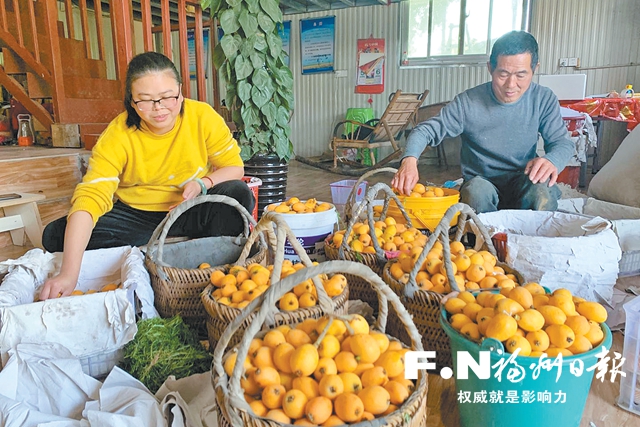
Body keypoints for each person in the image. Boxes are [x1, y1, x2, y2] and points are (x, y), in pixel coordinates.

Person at [40, 52, 254, 299]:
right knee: (56, 234)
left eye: (167, 97)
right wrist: (68, 274)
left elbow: (234, 167)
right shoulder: (118, 134)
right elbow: (91, 196)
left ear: (180, 92)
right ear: (132, 101)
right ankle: (179, 248)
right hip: (137, 216)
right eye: (146, 100)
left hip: (190, 206)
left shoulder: (202, 116)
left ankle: (204, 264)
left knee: (237, 193)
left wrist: (202, 183)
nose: (159, 108)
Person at [391, 31, 574, 214]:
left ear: (535, 69)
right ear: (490, 68)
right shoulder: (468, 102)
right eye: (503, 74)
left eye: (521, 75)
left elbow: (562, 143)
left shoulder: (543, 98)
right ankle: (483, 240)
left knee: (543, 192)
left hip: (524, 179)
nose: (511, 84)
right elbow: (425, 131)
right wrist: (409, 160)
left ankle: (532, 241)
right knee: (476, 193)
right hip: (482, 182)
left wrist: (552, 160)